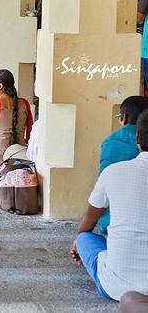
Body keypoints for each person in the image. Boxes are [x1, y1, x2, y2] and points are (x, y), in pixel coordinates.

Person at [69, 110, 148, 302]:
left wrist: (78, 242)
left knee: (86, 238)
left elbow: (90, 218)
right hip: (124, 285)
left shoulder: (114, 172)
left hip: (118, 285)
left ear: (137, 138)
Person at [96, 96, 148, 236]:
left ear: (123, 118)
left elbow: (102, 188)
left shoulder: (113, 141)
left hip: (114, 221)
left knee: (84, 238)